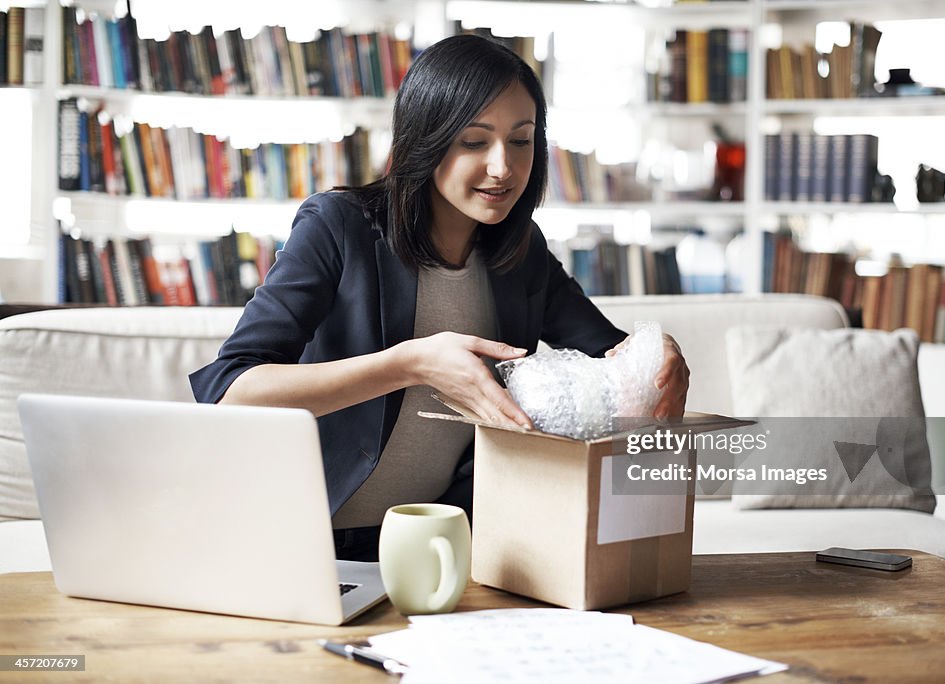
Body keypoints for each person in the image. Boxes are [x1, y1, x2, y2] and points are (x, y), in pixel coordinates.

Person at [190, 34, 689, 560]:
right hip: (305, 545)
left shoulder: (521, 252)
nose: (503, 167)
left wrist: (659, 356)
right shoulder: (339, 227)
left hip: (452, 545)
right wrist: (410, 365)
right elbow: (228, 391)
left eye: (521, 141)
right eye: (475, 141)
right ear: (426, 140)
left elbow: (611, 354)